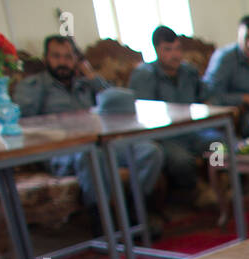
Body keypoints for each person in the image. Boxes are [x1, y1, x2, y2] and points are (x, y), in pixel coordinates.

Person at [13, 35, 162, 210]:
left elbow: (117, 101)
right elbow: (22, 119)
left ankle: (134, 209)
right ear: (46, 59)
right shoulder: (34, 85)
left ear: (76, 60)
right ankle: (101, 220)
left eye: (68, 57)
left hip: (99, 143)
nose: (63, 62)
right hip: (62, 150)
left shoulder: (85, 83)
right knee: (92, 156)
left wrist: (92, 77)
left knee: (150, 151)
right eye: (56, 56)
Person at [129, 25, 220, 197]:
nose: (175, 55)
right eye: (168, 50)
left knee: (218, 144)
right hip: (164, 137)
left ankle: (218, 182)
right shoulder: (145, 75)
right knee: (182, 161)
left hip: (193, 131)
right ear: (156, 50)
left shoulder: (189, 71)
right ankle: (194, 193)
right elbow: (142, 115)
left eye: (178, 49)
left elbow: (206, 98)